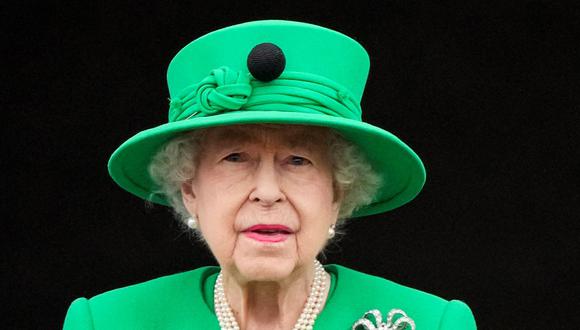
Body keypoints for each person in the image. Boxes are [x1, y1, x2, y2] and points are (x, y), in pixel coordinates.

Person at [63, 20, 476, 330]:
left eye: (298, 160)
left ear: (338, 192)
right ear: (189, 189)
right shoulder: (105, 321)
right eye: (235, 157)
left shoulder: (432, 322)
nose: (266, 192)